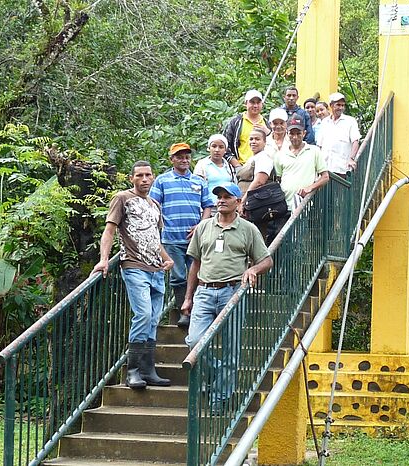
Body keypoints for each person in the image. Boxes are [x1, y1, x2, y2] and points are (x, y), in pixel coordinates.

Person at [181, 182, 273, 411]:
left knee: (232, 349)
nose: (221, 200)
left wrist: (252, 270)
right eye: (219, 197)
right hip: (204, 290)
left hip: (233, 292)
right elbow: (195, 263)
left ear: (237, 202)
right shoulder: (203, 227)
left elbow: (267, 260)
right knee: (194, 342)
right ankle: (217, 376)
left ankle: (219, 398)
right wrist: (188, 297)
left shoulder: (248, 229)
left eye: (226, 196)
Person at [92, 161, 175, 390]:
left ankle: (149, 371)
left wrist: (167, 258)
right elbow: (109, 231)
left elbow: (153, 239)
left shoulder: (155, 204)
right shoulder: (122, 198)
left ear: (153, 177)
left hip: (156, 269)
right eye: (139, 175)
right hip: (134, 265)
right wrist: (103, 259)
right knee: (143, 314)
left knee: (154, 319)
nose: (144, 179)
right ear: (132, 178)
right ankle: (133, 371)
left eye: (148, 175)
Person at [150, 143, 214, 329]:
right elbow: (153, 205)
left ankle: (197, 311)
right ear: (172, 159)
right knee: (178, 276)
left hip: (194, 238)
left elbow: (208, 205)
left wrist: (202, 224)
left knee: (199, 274)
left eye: (187, 157)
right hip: (171, 237)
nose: (184, 160)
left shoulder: (198, 181)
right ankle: (184, 312)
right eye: (179, 157)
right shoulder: (162, 180)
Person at [274, 114, 330, 210]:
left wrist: (310, 188)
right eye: (292, 133)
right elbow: (279, 178)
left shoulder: (314, 151)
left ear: (304, 133)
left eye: (298, 133)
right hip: (285, 204)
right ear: (287, 134)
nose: (295, 137)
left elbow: (325, 177)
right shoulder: (280, 154)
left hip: (306, 204)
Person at [241, 127, 284, 244]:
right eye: (251, 139)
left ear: (264, 142)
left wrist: (243, 202)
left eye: (257, 139)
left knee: (257, 236)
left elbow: (260, 181)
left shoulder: (264, 157)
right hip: (248, 203)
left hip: (255, 204)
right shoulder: (252, 158)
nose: (253, 142)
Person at [223, 89, 270, 189]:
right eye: (252, 102)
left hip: (262, 170)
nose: (255, 105)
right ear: (246, 103)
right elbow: (225, 146)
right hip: (242, 170)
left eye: (258, 102)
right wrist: (237, 166)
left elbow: (274, 144)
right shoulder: (236, 122)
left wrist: (268, 132)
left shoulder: (266, 123)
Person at [317, 92, 361, 178]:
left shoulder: (350, 121)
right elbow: (319, 145)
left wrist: (351, 159)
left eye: (342, 105)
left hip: (342, 169)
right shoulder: (324, 122)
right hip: (325, 169)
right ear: (331, 105)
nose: (341, 108)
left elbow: (355, 141)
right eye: (338, 105)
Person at [193, 134, 235, 204]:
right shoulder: (202, 165)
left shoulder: (229, 167)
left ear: (225, 150)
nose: (217, 150)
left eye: (221, 147)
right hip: (209, 207)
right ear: (209, 148)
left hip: (226, 207)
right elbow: (196, 188)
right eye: (214, 146)